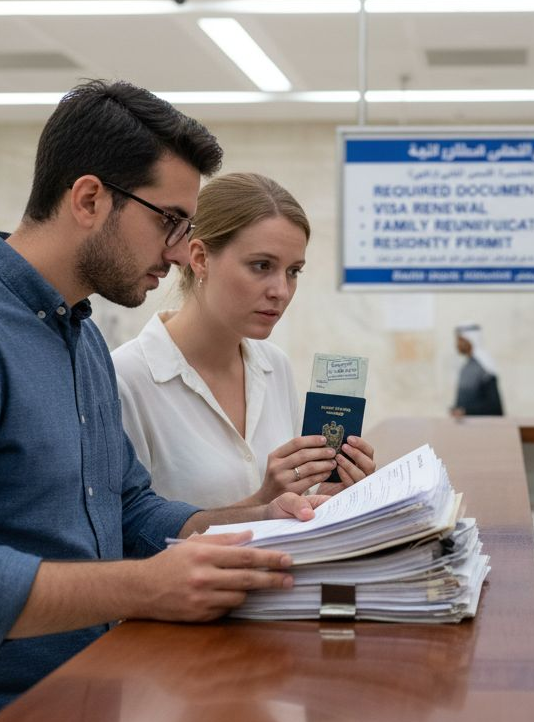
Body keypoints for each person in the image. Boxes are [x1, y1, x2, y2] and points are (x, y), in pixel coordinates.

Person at [0, 81, 326, 722]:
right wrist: (149, 586)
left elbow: (127, 508)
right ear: (91, 199)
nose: (182, 251)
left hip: (82, 696)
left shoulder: (78, 335)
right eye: (170, 222)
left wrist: (257, 519)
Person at [112, 172, 376, 509]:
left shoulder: (274, 365)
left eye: (293, 271)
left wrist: (326, 499)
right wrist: (261, 504)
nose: (281, 291)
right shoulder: (126, 378)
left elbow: (289, 508)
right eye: (261, 265)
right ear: (200, 258)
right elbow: (129, 538)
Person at [450, 323, 504, 417]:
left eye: (460, 340)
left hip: (482, 428)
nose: (457, 344)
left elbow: (495, 408)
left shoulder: (485, 367)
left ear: (470, 340)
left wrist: (466, 411)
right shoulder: (466, 367)